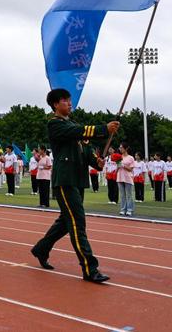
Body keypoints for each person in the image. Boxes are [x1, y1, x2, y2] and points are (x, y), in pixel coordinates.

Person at [30, 88, 119, 283]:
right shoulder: (55, 124)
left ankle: (41, 249)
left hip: (78, 180)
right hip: (65, 181)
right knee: (77, 223)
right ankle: (89, 268)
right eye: (65, 100)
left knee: (66, 221)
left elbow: (85, 150)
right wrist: (104, 128)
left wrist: (97, 163)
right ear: (55, 104)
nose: (69, 103)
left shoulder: (73, 125)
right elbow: (78, 132)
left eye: (70, 100)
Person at [117, 143, 135, 216]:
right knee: (122, 195)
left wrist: (123, 165)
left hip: (128, 178)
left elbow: (130, 169)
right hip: (120, 177)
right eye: (119, 148)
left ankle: (129, 210)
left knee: (129, 195)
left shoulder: (130, 158)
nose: (120, 149)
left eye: (121, 148)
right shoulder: (119, 157)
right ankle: (123, 209)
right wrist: (118, 165)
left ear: (125, 149)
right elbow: (117, 169)